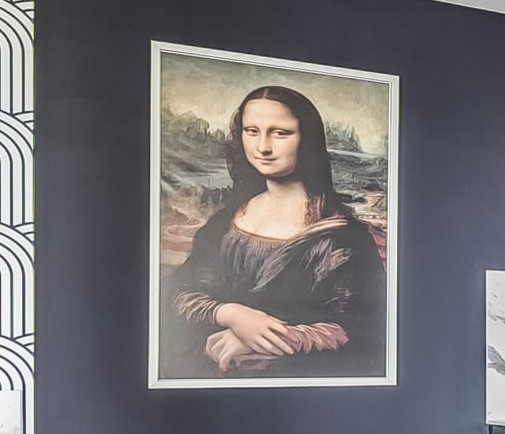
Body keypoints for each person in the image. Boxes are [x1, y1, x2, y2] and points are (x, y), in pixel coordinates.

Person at [163, 84, 386, 380]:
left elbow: (357, 329)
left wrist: (263, 339)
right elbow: (179, 294)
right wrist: (232, 314)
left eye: (280, 133)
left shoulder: (342, 238)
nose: (263, 147)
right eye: (252, 131)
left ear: (306, 139)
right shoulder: (226, 222)